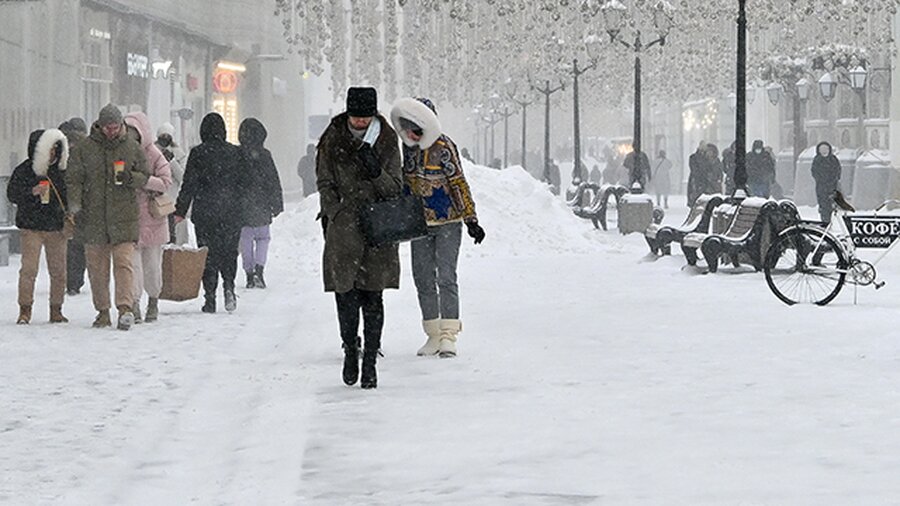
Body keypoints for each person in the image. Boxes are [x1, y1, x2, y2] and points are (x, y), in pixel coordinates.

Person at [317, 86, 402, 389]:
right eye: (356, 118)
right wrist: (334, 209)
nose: (360, 123)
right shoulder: (332, 138)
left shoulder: (388, 139)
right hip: (343, 228)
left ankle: (370, 362)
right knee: (346, 295)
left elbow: (395, 187)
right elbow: (324, 179)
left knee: (373, 295)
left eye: (365, 118)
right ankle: (350, 350)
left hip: (377, 227)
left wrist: (376, 171)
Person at [390, 96, 485, 358]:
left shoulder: (444, 147)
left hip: (447, 221)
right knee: (422, 277)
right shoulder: (408, 148)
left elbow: (458, 182)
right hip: (419, 223)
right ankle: (432, 332)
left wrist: (471, 218)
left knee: (446, 276)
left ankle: (448, 334)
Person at [67, 103, 149, 330]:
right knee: (97, 268)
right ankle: (102, 311)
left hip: (124, 217)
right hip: (92, 218)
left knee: (124, 264)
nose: (111, 131)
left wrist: (130, 178)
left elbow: (145, 174)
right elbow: (74, 179)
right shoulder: (84, 148)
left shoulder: (132, 147)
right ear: (99, 126)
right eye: (107, 128)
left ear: (122, 125)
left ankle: (125, 308)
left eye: (115, 127)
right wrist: (75, 205)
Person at [174, 113, 246, 314]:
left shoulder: (198, 153)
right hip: (231, 213)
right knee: (229, 252)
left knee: (207, 255)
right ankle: (229, 286)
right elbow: (244, 184)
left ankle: (210, 298)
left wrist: (180, 210)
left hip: (205, 213)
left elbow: (189, 184)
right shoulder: (236, 153)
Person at [8, 129, 70, 324]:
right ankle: (25, 309)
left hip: (56, 227)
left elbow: (70, 196)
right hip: (31, 226)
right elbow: (12, 194)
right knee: (29, 269)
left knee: (58, 270)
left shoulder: (62, 171)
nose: (52, 153)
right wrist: (32, 192)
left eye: (55, 149)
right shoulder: (25, 170)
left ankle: (56, 309)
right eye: (48, 149)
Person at [124, 112, 173, 323]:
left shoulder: (154, 154)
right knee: (133, 267)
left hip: (153, 219)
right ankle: (134, 303)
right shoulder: (122, 153)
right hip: (129, 219)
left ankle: (153, 300)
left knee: (152, 266)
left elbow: (166, 182)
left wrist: (143, 181)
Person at [238, 118, 284, 289]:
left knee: (246, 239)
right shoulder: (265, 155)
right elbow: (273, 180)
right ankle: (259, 269)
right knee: (263, 238)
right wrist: (277, 203)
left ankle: (249, 273)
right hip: (262, 203)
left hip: (242, 205)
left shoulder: (238, 154)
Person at [59, 118, 88, 296]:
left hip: (66, 202)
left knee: (69, 244)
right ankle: (75, 281)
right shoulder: (87, 150)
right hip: (82, 203)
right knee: (78, 245)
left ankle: (71, 280)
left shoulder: (64, 149)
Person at [156, 122, 188, 245]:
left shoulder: (179, 153)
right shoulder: (152, 151)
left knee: (176, 238)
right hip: (158, 200)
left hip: (173, 200)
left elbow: (182, 177)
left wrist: (172, 161)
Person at [811, 141, 841, 223]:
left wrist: (834, 179)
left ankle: (832, 220)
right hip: (821, 186)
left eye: (826, 149)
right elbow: (814, 172)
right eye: (822, 149)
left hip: (833, 185)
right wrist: (821, 179)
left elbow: (838, 170)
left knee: (831, 204)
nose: (824, 151)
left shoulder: (833, 159)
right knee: (823, 204)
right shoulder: (817, 160)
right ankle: (825, 220)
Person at [687, 141, 708, 206]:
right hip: (696, 180)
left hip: (706, 180)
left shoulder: (708, 157)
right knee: (695, 196)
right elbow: (693, 169)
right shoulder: (693, 157)